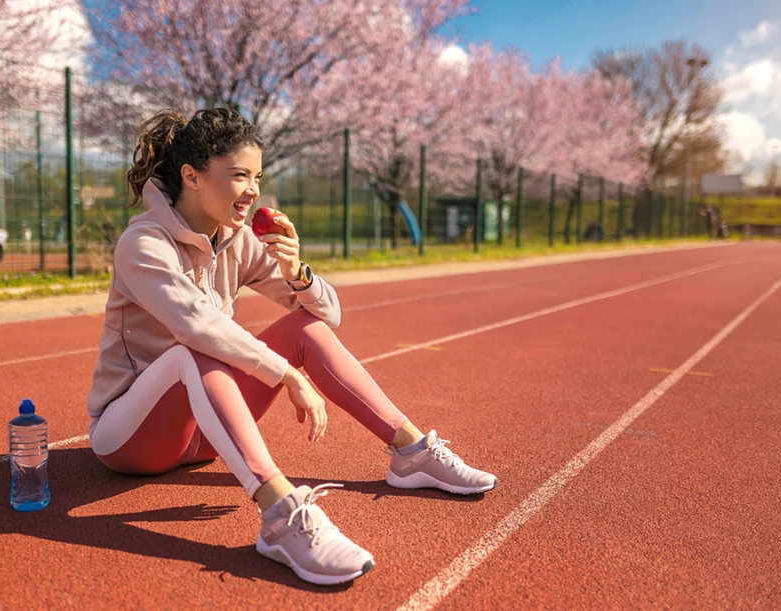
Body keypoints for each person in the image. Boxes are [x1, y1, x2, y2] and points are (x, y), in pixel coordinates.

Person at [86, 109, 497, 586]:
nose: (253, 189)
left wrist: (296, 272)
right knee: (192, 352)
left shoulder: (236, 241)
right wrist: (285, 375)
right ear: (191, 176)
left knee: (303, 328)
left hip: (204, 434)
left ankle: (412, 454)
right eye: (239, 175)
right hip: (131, 439)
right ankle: (282, 517)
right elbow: (195, 325)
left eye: (257, 176)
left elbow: (327, 319)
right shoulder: (143, 244)